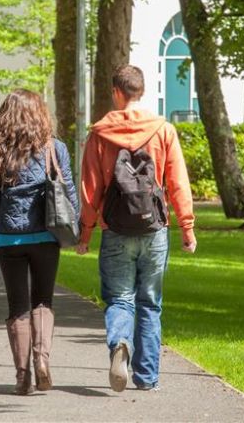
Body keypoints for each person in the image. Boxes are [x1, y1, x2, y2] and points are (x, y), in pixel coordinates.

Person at [76, 64, 196, 392]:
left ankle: (120, 345)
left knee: (119, 299)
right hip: (154, 229)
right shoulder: (163, 130)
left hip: (115, 229)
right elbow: (177, 181)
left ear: (117, 92)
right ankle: (146, 377)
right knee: (150, 302)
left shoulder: (100, 134)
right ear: (140, 92)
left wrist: (85, 233)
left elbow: (90, 187)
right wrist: (187, 227)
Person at [0, 89, 78, 395]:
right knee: (43, 300)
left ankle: (22, 377)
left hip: (9, 238)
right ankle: (42, 360)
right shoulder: (54, 148)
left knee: (17, 304)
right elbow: (69, 193)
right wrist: (77, 232)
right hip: (46, 235)